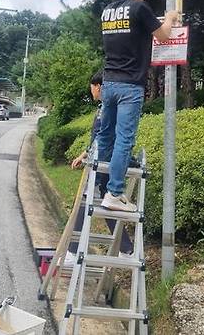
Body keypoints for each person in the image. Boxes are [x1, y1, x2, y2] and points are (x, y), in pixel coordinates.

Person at [97, 0, 179, 212]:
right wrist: (172, 17)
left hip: (108, 81)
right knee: (124, 139)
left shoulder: (107, 11)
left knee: (105, 135)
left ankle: (100, 183)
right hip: (129, 85)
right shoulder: (140, 8)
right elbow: (163, 36)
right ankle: (114, 193)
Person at [65, 69, 133, 265]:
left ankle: (72, 251)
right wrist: (83, 154)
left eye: (92, 88)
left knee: (86, 201)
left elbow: (103, 139)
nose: (91, 92)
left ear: (99, 86)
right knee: (107, 203)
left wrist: (92, 159)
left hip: (102, 163)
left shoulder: (108, 108)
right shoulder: (110, 106)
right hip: (105, 160)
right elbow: (98, 138)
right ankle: (126, 248)